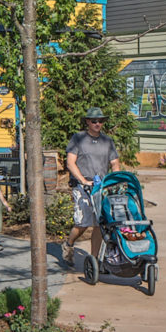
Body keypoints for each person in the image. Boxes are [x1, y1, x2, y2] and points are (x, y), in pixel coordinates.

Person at [62, 106, 121, 267]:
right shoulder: (78, 138)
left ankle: (94, 260)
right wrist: (82, 180)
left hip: (101, 187)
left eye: (100, 121)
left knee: (100, 223)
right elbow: (70, 162)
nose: (97, 124)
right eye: (94, 121)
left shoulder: (107, 141)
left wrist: (115, 179)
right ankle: (69, 243)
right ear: (88, 121)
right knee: (83, 223)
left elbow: (115, 163)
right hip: (83, 186)